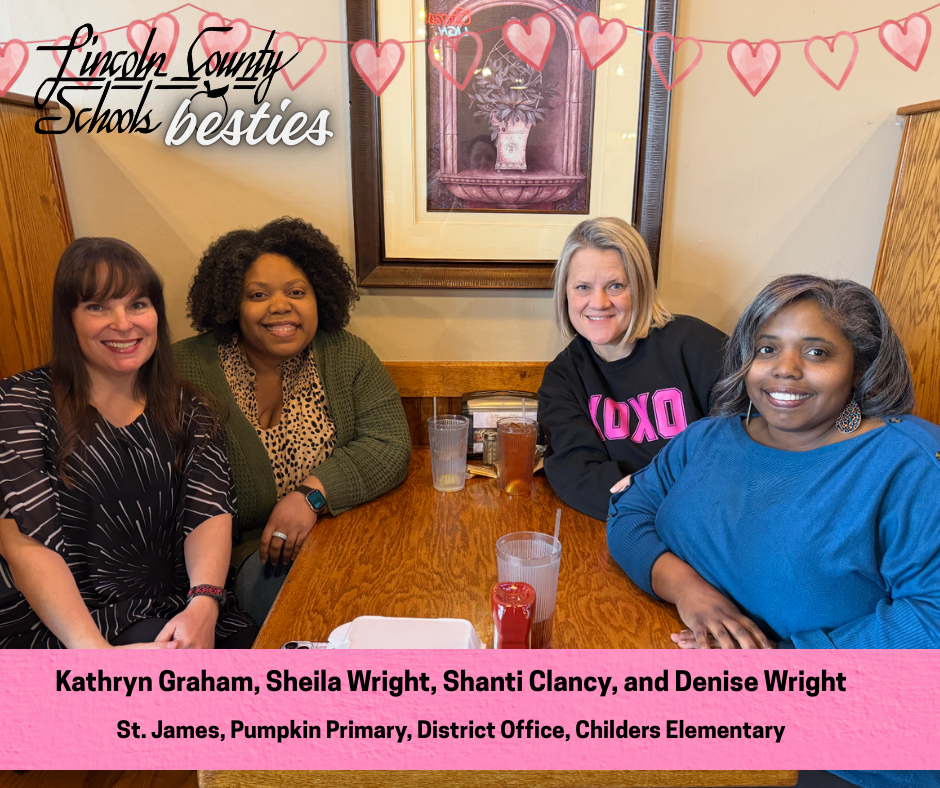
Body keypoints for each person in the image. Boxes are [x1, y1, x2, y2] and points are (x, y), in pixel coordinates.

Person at [607, 274, 940, 649]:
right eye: (767, 349)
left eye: (816, 353)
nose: (785, 368)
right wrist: (688, 590)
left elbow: (931, 617)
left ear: (859, 368)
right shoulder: (706, 438)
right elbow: (628, 512)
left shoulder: (910, 465)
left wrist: (783, 661)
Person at [0, 238, 256, 649]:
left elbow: (209, 510)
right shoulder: (17, 405)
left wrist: (204, 604)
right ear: (68, 319)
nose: (123, 324)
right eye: (97, 307)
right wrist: (98, 658)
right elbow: (26, 545)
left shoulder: (188, 405)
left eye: (137, 304)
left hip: (179, 610)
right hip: (66, 628)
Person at [174, 217, 411, 624]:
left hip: (342, 537)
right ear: (232, 304)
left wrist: (311, 496)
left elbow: (389, 443)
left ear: (319, 296)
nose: (281, 305)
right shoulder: (186, 368)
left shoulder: (345, 354)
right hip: (241, 563)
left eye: (296, 292)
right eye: (258, 294)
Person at [537, 217, 727, 520]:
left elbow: (744, 443)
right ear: (565, 294)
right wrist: (646, 500)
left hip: (714, 520)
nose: (599, 303)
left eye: (615, 286)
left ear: (639, 287)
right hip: (628, 525)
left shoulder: (697, 345)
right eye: (583, 287)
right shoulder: (563, 378)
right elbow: (577, 473)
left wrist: (646, 492)